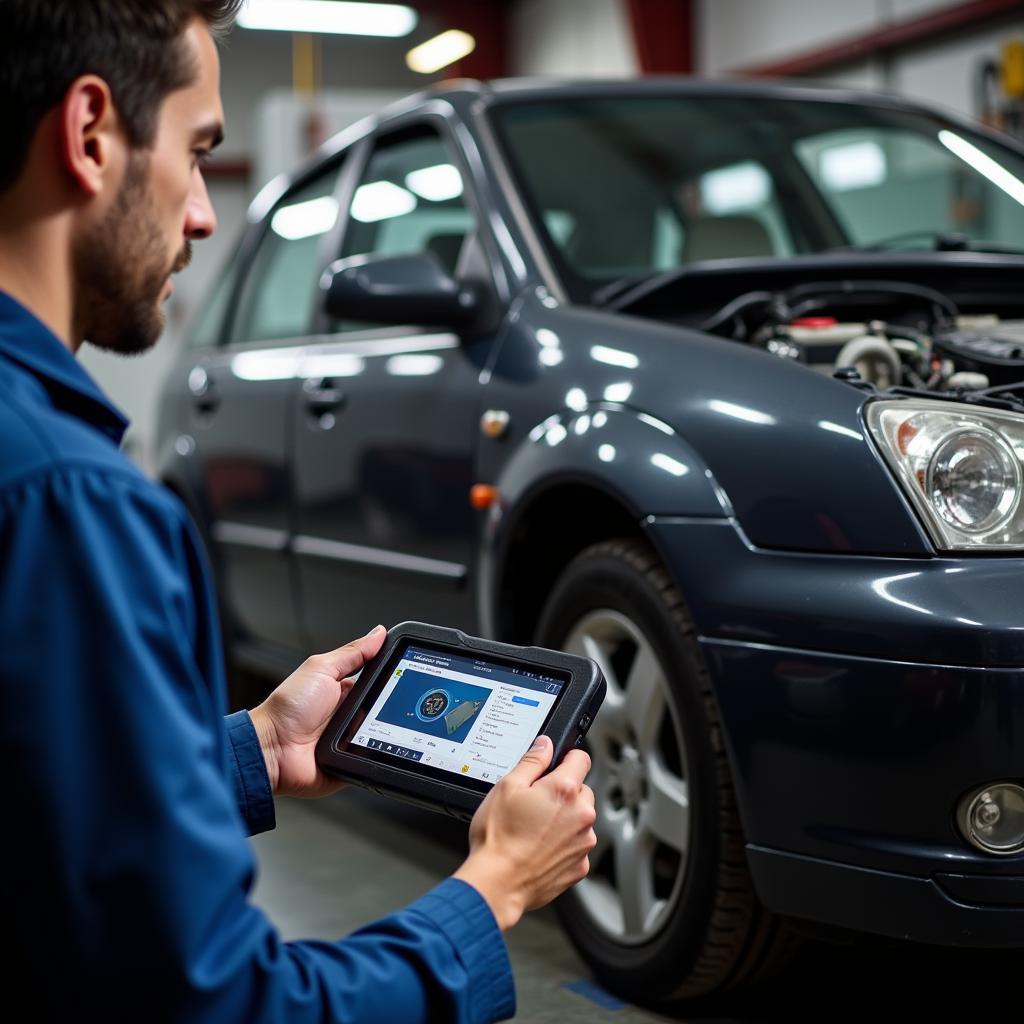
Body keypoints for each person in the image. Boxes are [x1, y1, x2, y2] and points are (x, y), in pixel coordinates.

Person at [0, 2, 597, 1021]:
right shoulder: (73, 501)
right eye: (196, 153)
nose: (200, 214)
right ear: (90, 132)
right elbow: (221, 1003)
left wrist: (257, 750)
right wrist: (489, 891)